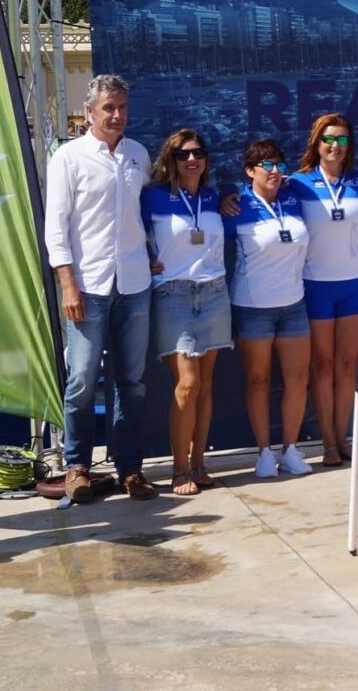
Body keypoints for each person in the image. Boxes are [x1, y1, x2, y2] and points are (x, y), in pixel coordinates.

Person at [45, 74, 157, 502]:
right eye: (108, 108)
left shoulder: (138, 155)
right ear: (89, 111)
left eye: (122, 107)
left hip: (134, 285)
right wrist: (68, 285)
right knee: (81, 381)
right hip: (87, 286)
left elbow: (146, 213)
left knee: (131, 382)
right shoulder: (68, 158)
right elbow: (55, 230)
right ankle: (77, 466)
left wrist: (151, 253)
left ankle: (130, 469)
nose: (116, 115)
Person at [142, 129, 231, 495]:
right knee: (187, 383)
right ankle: (179, 470)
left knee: (205, 385)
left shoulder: (213, 197)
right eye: (182, 154)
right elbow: (129, 235)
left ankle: (199, 463)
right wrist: (143, 260)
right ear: (170, 159)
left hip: (214, 292)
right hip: (173, 296)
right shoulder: (152, 197)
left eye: (197, 153)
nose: (191, 160)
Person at [290, 114, 358, 466]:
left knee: (347, 365)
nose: (334, 146)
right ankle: (327, 441)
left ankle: (343, 438)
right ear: (316, 142)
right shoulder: (298, 183)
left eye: (342, 139)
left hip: (355, 283)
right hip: (315, 284)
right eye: (328, 139)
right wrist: (228, 201)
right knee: (322, 366)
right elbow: (260, 198)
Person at [224, 139, 314, 477]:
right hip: (253, 306)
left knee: (297, 379)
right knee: (258, 380)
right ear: (250, 171)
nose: (276, 171)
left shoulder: (294, 197)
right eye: (268, 166)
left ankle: (290, 449)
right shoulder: (236, 206)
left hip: (293, 303)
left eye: (280, 165)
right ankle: (263, 452)